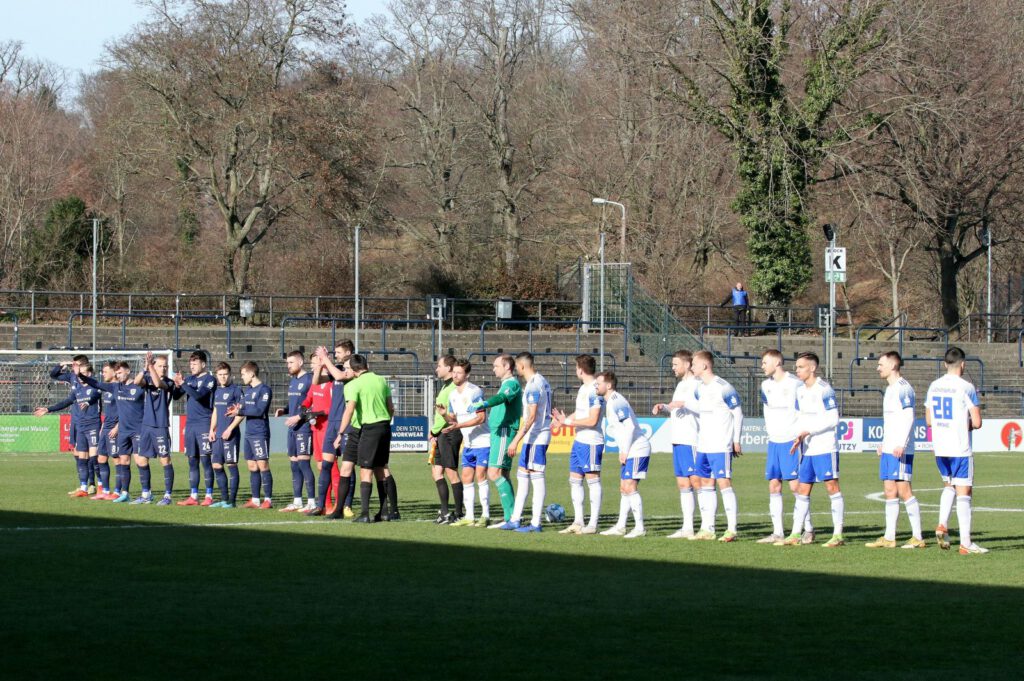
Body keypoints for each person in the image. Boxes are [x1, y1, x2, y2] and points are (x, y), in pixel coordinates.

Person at [776, 352, 845, 547]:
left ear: (812, 368)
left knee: (832, 487)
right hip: (807, 449)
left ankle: (838, 535)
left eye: (800, 367)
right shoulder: (800, 391)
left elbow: (833, 419)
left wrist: (809, 431)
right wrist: (798, 435)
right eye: (796, 367)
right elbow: (799, 417)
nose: (796, 370)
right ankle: (796, 534)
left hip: (825, 447)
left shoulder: (825, 389)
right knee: (802, 490)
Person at [926, 346, 986, 554]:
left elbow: (928, 420)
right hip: (959, 446)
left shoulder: (933, 386)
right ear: (963, 364)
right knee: (964, 492)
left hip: (940, 447)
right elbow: (977, 422)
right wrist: (964, 424)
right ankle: (966, 543)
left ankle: (942, 523)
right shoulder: (966, 387)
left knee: (949, 485)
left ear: (944, 364)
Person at [866, 351, 925, 549]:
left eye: (880, 364)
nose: (877, 368)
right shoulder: (890, 390)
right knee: (889, 490)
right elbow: (892, 421)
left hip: (901, 449)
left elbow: (909, 417)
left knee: (904, 490)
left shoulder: (903, 388)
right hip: (890, 448)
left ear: (892, 365)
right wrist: (884, 443)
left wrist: (901, 443)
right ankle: (889, 537)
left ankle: (918, 537)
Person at [757, 350, 814, 544]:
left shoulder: (796, 384)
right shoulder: (765, 385)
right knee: (774, 485)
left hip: (791, 441)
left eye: (765, 362)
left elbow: (804, 410)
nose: (762, 366)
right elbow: (767, 410)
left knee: (795, 486)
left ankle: (808, 529)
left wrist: (799, 434)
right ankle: (778, 532)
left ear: (777, 362)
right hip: (774, 441)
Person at [335, 354, 395, 522]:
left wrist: (340, 433)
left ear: (354, 370)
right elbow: (391, 407)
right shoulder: (381, 380)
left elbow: (349, 410)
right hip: (385, 427)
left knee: (366, 470)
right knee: (381, 469)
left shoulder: (356, 384)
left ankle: (364, 513)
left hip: (369, 428)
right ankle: (384, 511)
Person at [691, 351, 743, 542]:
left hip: (720, 444)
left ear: (705, 366)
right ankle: (708, 528)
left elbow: (737, 413)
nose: (692, 367)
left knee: (724, 483)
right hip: (703, 445)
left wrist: (736, 439)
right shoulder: (699, 388)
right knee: (705, 484)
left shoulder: (724, 387)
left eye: (694, 364)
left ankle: (731, 529)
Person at [499, 352, 552, 533]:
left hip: (537, 436)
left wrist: (515, 441)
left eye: (517, 367)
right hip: (534, 436)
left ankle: (536, 523)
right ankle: (515, 518)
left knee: (536, 476)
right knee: (523, 474)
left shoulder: (533, 386)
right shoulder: (541, 380)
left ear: (522, 366)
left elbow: (531, 417)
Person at [551, 354, 605, 535]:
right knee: (575, 480)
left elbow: (592, 420)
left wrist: (567, 423)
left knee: (593, 481)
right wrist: (564, 420)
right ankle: (578, 521)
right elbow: (579, 413)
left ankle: (593, 524)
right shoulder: (584, 389)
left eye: (576, 368)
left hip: (591, 441)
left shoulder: (594, 390)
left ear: (580, 370)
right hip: (579, 440)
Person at [596, 371, 651, 538]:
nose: (596, 386)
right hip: (631, 449)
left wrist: (625, 450)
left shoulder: (616, 401)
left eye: (599, 383)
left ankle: (640, 528)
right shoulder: (610, 402)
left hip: (637, 449)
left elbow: (629, 427)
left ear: (609, 385)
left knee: (630, 487)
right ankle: (620, 526)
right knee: (623, 488)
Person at [652, 350, 700, 539]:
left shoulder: (697, 385)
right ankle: (687, 527)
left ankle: (706, 525)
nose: (672, 368)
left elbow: (704, 409)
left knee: (697, 482)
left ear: (687, 365)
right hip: (678, 439)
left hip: (692, 439)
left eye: (675, 364)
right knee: (683, 483)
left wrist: (684, 403)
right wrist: (663, 407)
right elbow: (675, 406)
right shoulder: (681, 385)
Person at [34, 356, 98, 497]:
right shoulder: (72, 377)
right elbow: (53, 375)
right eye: (73, 364)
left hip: (88, 419)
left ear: (84, 366)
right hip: (75, 419)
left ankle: (92, 484)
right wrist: (60, 365)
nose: (74, 367)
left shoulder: (90, 382)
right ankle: (83, 484)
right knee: (77, 453)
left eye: (77, 365)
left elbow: (92, 395)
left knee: (90, 454)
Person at [440, 359, 491, 527]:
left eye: (458, 372)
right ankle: (469, 516)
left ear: (467, 375)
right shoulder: (453, 394)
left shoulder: (475, 391)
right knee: (466, 477)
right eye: (453, 372)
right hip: (468, 444)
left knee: (480, 476)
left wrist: (458, 425)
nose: (455, 375)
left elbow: (481, 417)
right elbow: (453, 418)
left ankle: (485, 514)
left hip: (483, 441)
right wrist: (443, 415)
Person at [474, 355, 522, 528]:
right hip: (498, 433)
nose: (493, 369)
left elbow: (501, 398)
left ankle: (511, 518)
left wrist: (485, 403)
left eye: (496, 366)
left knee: (493, 473)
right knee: (503, 474)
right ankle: (510, 516)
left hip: (504, 431)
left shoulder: (512, 384)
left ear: (507, 366)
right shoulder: (506, 384)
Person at [225, 361, 273, 509]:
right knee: (252, 466)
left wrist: (240, 411)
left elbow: (259, 411)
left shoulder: (264, 390)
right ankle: (255, 499)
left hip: (260, 432)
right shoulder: (249, 391)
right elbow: (242, 409)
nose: (242, 377)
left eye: (243, 374)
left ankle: (268, 500)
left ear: (252, 374)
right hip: (249, 433)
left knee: (263, 464)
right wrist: (235, 410)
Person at [173, 351, 217, 506]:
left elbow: (199, 396)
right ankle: (193, 496)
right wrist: (178, 385)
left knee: (205, 460)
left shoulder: (210, 379)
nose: (192, 366)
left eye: (195, 363)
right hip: (190, 425)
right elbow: (176, 396)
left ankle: (209, 495)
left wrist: (184, 384)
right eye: (190, 364)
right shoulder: (190, 379)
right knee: (192, 461)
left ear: (203, 364)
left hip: (204, 423)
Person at [132, 352, 176, 505]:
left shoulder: (170, 383)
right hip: (146, 426)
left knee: (165, 460)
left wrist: (150, 366)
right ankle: (146, 494)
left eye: (165, 366)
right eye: (160, 366)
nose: (163, 369)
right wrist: (145, 368)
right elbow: (137, 382)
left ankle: (168, 496)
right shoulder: (148, 380)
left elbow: (158, 384)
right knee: (142, 460)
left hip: (160, 426)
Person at [276, 350, 315, 512]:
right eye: (287, 363)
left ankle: (312, 502)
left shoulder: (309, 379)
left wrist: (298, 417)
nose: (288, 366)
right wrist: (284, 410)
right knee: (294, 465)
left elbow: (312, 404)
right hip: (292, 428)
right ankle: (297, 501)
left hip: (304, 427)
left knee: (304, 464)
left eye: (291, 363)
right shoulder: (293, 381)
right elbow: (296, 403)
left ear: (300, 362)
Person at [430, 355, 463, 524]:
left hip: (449, 432)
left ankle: (458, 513)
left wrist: (433, 432)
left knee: (451, 472)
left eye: (439, 365)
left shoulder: (452, 388)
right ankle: (444, 511)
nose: (437, 369)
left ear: (449, 369)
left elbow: (449, 416)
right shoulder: (445, 387)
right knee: (437, 471)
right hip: (440, 433)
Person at [301, 352, 336, 510]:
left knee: (332, 466)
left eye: (315, 363)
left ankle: (340, 504)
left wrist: (319, 413)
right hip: (316, 429)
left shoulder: (332, 383)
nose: (312, 366)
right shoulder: (315, 383)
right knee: (321, 467)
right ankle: (326, 504)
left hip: (328, 428)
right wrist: (303, 408)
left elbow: (335, 407)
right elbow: (308, 399)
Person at [208, 362, 243, 508]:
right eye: (220, 375)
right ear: (217, 375)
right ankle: (223, 499)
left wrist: (230, 428)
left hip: (231, 435)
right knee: (216, 465)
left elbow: (241, 413)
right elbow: (216, 411)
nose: (223, 377)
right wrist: (211, 429)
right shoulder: (216, 391)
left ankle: (232, 501)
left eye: (225, 374)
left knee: (231, 464)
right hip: (218, 435)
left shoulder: (236, 390)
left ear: (230, 375)